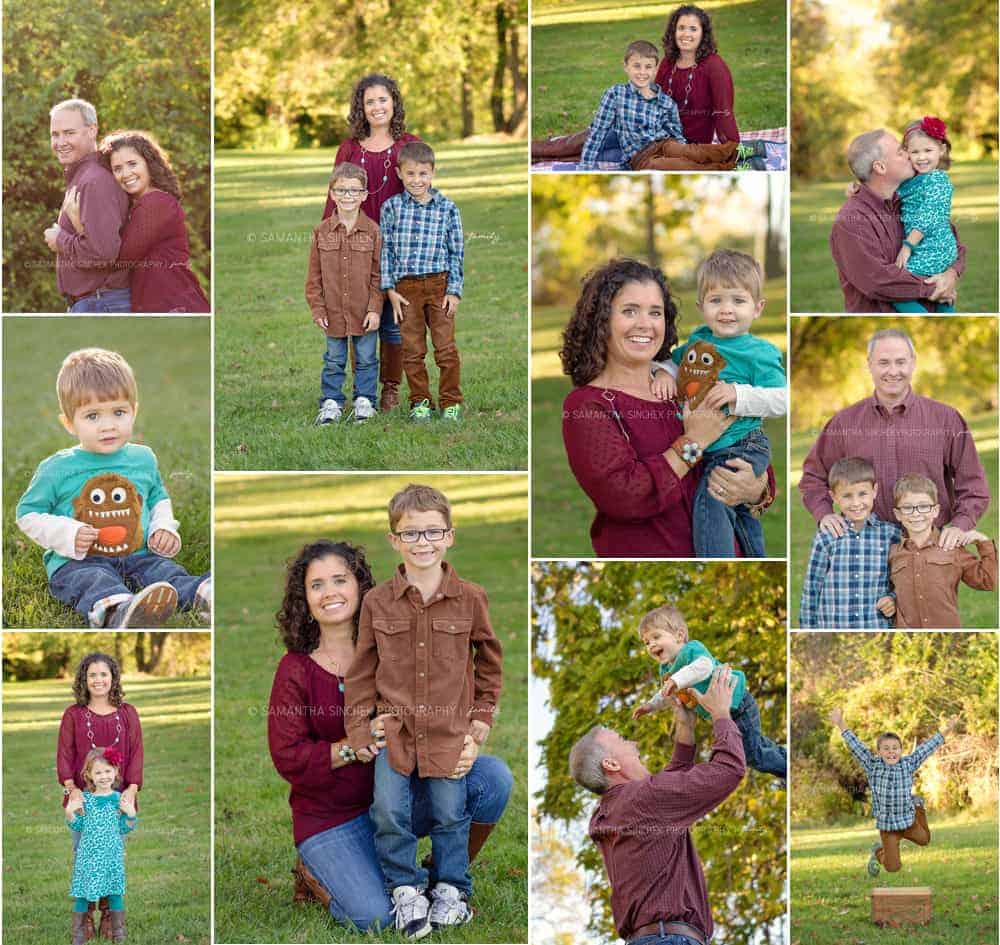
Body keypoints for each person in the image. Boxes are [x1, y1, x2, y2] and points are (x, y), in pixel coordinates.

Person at [268, 539, 512, 935]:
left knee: (491, 778)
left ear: (361, 587)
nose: (330, 592)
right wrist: (354, 746)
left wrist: (467, 735)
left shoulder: (397, 648)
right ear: (304, 599)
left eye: (340, 580)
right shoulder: (295, 670)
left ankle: (442, 883)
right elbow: (288, 757)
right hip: (332, 820)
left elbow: (458, 682)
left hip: (401, 796)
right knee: (375, 917)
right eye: (317, 585)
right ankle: (314, 870)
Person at [343, 484, 504, 936]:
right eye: (411, 534)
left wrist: (481, 721)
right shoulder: (377, 601)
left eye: (433, 532)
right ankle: (405, 889)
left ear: (450, 535)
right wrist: (359, 732)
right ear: (394, 540)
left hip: (450, 730)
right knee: (389, 811)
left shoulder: (470, 597)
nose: (423, 543)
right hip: (394, 731)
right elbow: (360, 672)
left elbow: (489, 661)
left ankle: (451, 889)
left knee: (450, 814)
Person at [560, 257, 775, 557]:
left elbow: (738, 446)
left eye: (655, 312)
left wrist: (758, 490)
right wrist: (695, 442)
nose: (645, 324)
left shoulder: (684, 382)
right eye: (629, 311)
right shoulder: (588, 406)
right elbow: (626, 495)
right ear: (601, 319)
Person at [15, 347, 211, 628]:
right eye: (93, 416)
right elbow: (28, 514)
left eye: (118, 412)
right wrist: (68, 533)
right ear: (69, 423)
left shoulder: (142, 459)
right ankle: (116, 609)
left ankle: (202, 595)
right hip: (80, 561)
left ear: (134, 411)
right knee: (92, 580)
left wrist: (163, 528)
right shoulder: (57, 468)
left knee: (165, 572)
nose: (108, 426)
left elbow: (157, 497)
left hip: (139, 554)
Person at [569, 666, 745, 945]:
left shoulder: (609, 812)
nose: (635, 744)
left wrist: (685, 726)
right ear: (611, 764)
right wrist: (721, 714)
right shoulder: (642, 800)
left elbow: (667, 793)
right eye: (624, 742)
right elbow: (729, 770)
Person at [798, 328, 990, 553]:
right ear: (869, 364)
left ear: (913, 363)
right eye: (883, 362)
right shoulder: (843, 423)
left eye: (900, 362)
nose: (893, 371)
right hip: (863, 549)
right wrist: (824, 514)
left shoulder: (947, 419)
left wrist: (960, 526)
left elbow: (974, 486)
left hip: (930, 548)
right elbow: (813, 477)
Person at [650, 250, 785, 557]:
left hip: (743, 444)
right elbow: (674, 364)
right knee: (741, 514)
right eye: (716, 301)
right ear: (701, 306)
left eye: (738, 301)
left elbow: (781, 400)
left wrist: (739, 395)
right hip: (709, 448)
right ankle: (755, 557)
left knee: (711, 501)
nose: (726, 310)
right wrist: (663, 373)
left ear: (758, 307)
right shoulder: (698, 343)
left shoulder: (759, 352)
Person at [325, 74, 421, 411]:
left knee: (394, 325)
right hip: (357, 249)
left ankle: (390, 389)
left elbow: (422, 195)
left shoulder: (409, 145)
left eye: (383, 99)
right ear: (361, 109)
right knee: (359, 319)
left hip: (398, 250)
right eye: (370, 102)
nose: (377, 107)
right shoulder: (349, 149)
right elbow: (333, 199)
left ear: (393, 102)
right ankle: (361, 390)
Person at [63, 130, 209, 313]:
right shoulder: (139, 206)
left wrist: (75, 228)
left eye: (132, 164)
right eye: (117, 169)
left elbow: (118, 259)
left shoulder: (156, 203)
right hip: (155, 306)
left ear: (149, 163)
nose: (125, 173)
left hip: (174, 305)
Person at [631, 605, 786, 777]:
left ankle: (788, 770)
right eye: (647, 642)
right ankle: (787, 758)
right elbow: (665, 693)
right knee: (758, 747)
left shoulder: (691, 650)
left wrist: (677, 680)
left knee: (752, 754)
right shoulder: (666, 670)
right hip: (724, 715)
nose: (651, 644)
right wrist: (650, 705)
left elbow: (704, 666)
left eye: (656, 637)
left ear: (679, 635)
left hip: (738, 705)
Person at [57, 653, 143, 942]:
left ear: (113, 678)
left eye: (103, 674)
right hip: (84, 801)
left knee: (110, 857)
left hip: (117, 800)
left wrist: (130, 790)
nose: (98, 680)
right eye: (92, 675)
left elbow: (137, 753)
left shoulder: (127, 713)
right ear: (84, 679)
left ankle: (109, 915)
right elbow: (65, 754)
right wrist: (72, 790)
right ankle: (85, 919)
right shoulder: (74, 715)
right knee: (85, 855)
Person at [830, 129, 965, 312]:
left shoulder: (909, 198)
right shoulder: (851, 222)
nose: (910, 156)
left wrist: (950, 274)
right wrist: (936, 288)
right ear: (880, 167)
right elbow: (878, 281)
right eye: (901, 152)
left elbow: (952, 241)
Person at [380, 142, 465, 423]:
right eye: (411, 174)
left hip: (440, 287)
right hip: (406, 291)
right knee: (412, 351)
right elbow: (387, 250)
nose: (417, 180)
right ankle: (420, 402)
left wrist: (454, 291)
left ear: (433, 173)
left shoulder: (447, 208)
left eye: (423, 174)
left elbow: (456, 252)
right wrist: (390, 289)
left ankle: (451, 402)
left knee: (446, 350)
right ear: (400, 173)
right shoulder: (391, 208)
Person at [829, 707, 957, 875]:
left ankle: (918, 806)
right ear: (879, 752)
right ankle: (878, 852)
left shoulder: (908, 764)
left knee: (925, 840)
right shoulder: (873, 765)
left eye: (895, 748)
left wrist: (948, 728)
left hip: (908, 822)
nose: (891, 752)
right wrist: (840, 723)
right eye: (886, 749)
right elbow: (856, 746)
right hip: (888, 828)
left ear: (901, 750)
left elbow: (928, 747)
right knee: (893, 867)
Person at [577, 40, 739, 171]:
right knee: (678, 166)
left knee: (690, 152)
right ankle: (731, 167)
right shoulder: (615, 94)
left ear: (655, 70)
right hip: (641, 158)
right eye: (636, 66)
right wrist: (585, 165)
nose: (642, 72)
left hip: (665, 144)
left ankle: (739, 152)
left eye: (648, 67)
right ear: (626, 66)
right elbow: (598, 131)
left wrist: (681, 150)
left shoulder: (665, 102)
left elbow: (676, 133)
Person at [305, 161, 382, 425]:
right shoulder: (321, 232)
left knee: (367, 359)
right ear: (332, 194)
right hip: (333, 312)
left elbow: (378, 275)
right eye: (341, 191)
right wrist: (318, 308)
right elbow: (313, 277)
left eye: (353, 191)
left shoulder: (373, 231)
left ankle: (365, 401)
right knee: (334, 359)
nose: (347, 196)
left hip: (364, 311)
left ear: (363, 195)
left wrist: (374, 308)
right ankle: (331, 402)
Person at [44, 98, 130, 313]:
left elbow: (102, 254)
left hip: (101, 302)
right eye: (55, 134)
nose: (60, 142)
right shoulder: (83, 177)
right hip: (96, 302)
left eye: (69, 133)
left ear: (92, 130)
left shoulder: (94, 181)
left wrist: (59, 240)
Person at [799, 457, 900, 629]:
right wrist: (807, 629)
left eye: (862, 494)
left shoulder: (891, 535)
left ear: (875, 491)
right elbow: (812, 588)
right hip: (833, 627)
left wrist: (893, 597)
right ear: (834, 497)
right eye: (847, 496)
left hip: (875, 627)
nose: (856, 503)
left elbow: (903, 580)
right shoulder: (827, 536)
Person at [888, 474, 996, 628]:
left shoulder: (952, 548)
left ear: (936, 511)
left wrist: (983, 542)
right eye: (907, 507)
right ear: (898, 514)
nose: (916, 513)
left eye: (924, 506)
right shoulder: (892, 553)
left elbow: (987, 582)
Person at [66, 747, 137, 944]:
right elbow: (78, 825)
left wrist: (131, 814)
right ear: (89, 775)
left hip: (111, 856)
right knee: (82, 893)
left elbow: (125, 828)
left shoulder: (119, 799)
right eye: (98, 772)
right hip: (88, 856)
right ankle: (78, 935)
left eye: (107, 771)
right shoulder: (86, 800)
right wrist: (70, 813)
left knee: (114, 891)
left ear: (115, 772)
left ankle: (118, 933)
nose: (104, 776)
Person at [891, 117, 957, 313]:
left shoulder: (938, 180)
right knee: (940, 296)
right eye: (915, 152)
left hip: (935, 248)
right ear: (906, 154)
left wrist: (908, 245)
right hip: (927, 246)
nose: (921, 157)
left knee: (896, 288)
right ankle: (946, 310)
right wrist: (857, 188)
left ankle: (924, 315)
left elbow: (927, 216)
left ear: (941, 150)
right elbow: (886, 188)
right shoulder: (912, 179)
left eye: (928, 151)